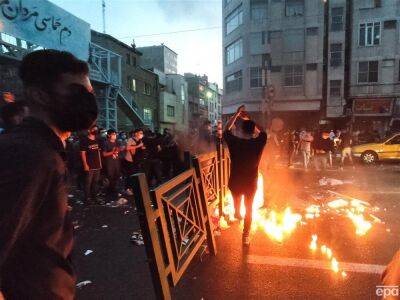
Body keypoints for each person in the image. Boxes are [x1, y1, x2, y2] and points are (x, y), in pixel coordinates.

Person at [0, 50, 97, 299]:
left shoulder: (45, 150)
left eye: (90, 94)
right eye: (76, 93)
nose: (87, 103)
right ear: (39, 95)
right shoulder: (30, 155)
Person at [223, 105, 267, 246]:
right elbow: (263, 131)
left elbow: (226, 129)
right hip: (250, 183)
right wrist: (250, 118)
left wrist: (236, 114)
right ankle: (246, 236)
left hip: (235, 181)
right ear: (254, 131)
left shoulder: (235, 142)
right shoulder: (258, 143)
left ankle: (236, 211)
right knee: (249, 209)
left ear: (241, 130)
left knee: (237, 200)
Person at [80, 125, 102, 204]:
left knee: (95, 182)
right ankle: (87, 198)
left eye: (96, 129)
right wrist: (85, 164)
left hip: (97, 165)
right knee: (88, 183)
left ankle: (95, 197)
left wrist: (100, 163)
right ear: (89, 130)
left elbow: (98, 152)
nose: (95, 130)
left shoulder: (97, 140)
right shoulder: (84, 140)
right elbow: (83, 153)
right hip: (89, 165)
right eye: (94, 129)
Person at [123, 129, 146, 193]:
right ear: (136, 133)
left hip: (137, 160)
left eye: (142, 133)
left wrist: (143, 148)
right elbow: (127, 148)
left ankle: (134, 188)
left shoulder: (140, 140)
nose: (142, 134)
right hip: (130, 160)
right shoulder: (131, 139)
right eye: (140, 133)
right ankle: (128, 189)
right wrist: (138, 146)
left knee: (136, 175)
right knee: (130, 175)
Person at [102, 129, 121, 197]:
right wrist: (112, 152)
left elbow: (119, 149)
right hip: (109, 162)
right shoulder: (106, 143)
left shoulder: (117, 142)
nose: (114, 135)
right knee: (110, 176)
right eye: (113, 134)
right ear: (109, 135)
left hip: (116, 161)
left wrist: (119, 150)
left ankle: (113, 190)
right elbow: (104, 154)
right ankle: (109, 191)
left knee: (116, 176)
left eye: (115, 134)